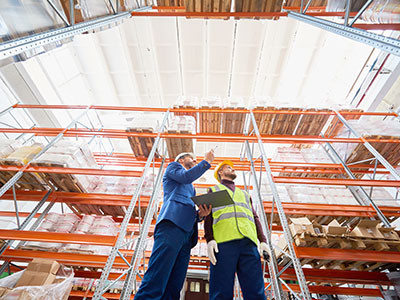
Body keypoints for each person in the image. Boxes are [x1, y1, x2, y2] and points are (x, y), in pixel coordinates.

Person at [134, 150, 215, 300]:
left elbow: (188, 208)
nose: (196, 161)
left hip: (187, 234)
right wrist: (206, 162)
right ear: (182, 159)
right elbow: (186, 176)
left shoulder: (191, 188)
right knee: (158, 275)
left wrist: (200, 215)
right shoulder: (173, 167)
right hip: (172, 225)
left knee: (175, 284)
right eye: (193, 159)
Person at [204, 160, 268, 300]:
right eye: (228, 167)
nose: (232, 169)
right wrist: (210, 240)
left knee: (256, 291)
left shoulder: (244, 194)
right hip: (224, 243)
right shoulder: (215, 190)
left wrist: (262, 240)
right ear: (220, 172)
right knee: (221, 290)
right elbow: (208, 217)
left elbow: (254, 216)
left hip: (248, 243)